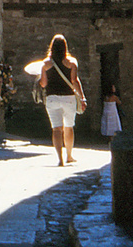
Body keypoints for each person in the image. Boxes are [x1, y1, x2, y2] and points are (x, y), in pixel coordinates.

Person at [38, 33, 87, 166]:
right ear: (65, 47)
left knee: (56, 129)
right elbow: (74, 81)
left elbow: (43, 84)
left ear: (52, 47)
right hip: (68, 98)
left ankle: (60, 159)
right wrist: (82, 98)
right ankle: (69, 156)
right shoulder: (71, 62)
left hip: (52, 98)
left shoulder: (45, 64)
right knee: (69, 127)